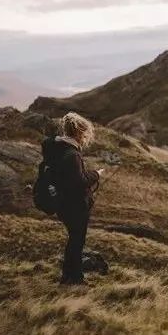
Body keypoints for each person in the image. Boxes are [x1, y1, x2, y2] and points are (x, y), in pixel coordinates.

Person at [41, 112, 104, 285]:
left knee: (74, 240)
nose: (86, 138)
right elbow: (80, 182)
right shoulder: (72, 154)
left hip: (62, 204)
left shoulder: (56, 148)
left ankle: (67, 277)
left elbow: (67, 178)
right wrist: (96, 175)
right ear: (79, 133)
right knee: (77, 242)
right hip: (74, 206)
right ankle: (75, 279)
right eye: (85, 134)